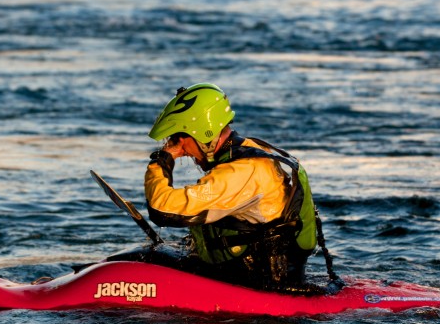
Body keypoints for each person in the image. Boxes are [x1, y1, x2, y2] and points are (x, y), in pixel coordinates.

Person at [143, 83, 340, 294]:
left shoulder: (242, 171)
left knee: (147, 261)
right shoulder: (255, 150)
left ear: (202, 134)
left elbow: (162, 209)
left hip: (258, 287)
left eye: (180, 140)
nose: (182, 150)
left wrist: (162, 160)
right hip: (266, 276)